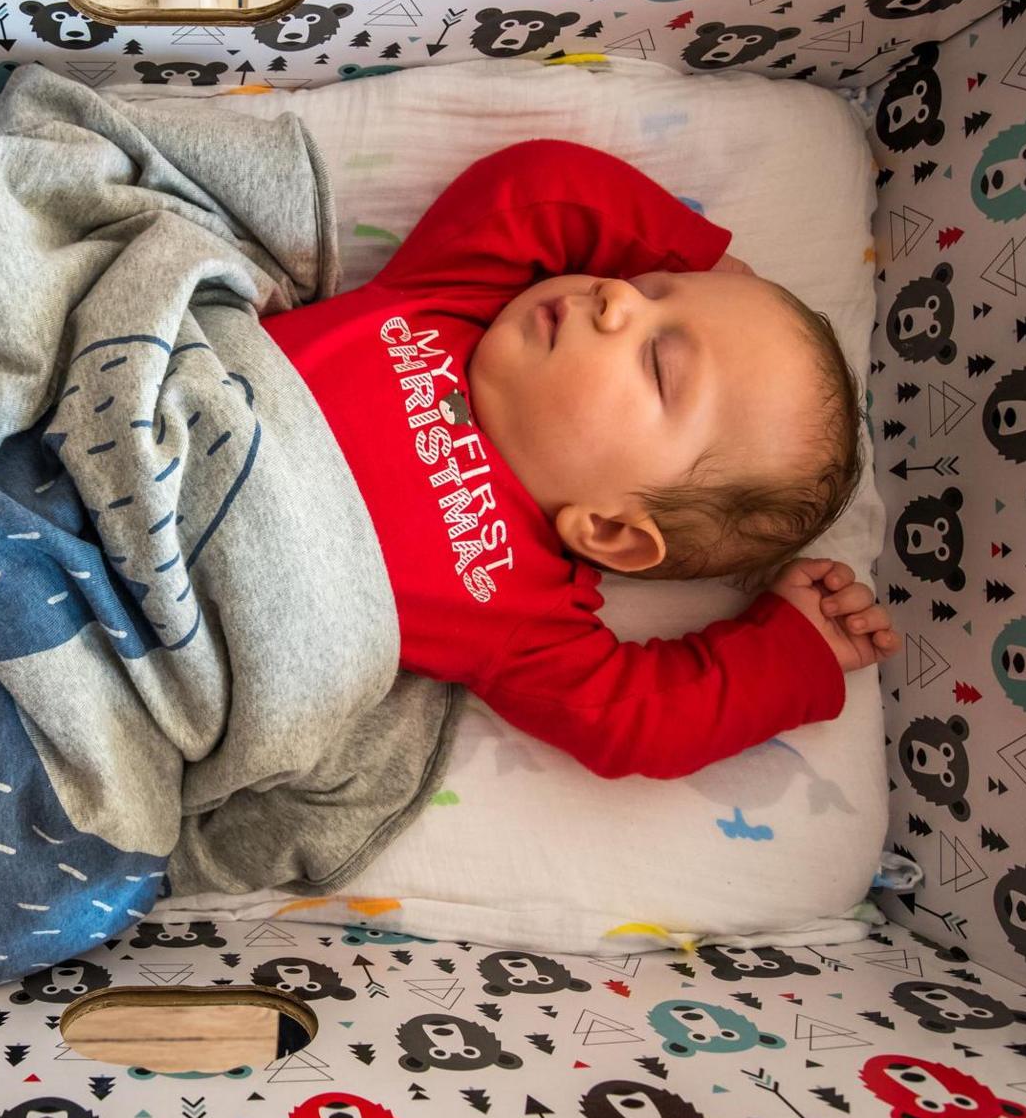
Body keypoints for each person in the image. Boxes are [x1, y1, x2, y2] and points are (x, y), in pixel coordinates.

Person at [261, 139, 899, 780]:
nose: (615, 298)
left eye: (657, 361)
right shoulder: (454, 295)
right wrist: (708, 264)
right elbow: (536, 183)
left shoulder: (521, 611)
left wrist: (792, 652)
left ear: (611, 532)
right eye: (650, 285)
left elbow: (637, 723)